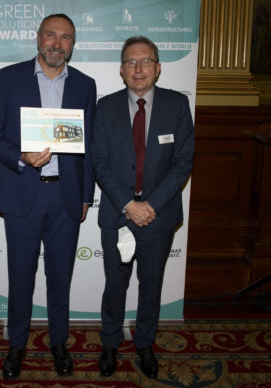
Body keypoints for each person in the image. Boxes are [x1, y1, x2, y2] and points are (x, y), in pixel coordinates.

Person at [0, 14, 96, 380]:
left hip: (66, 195)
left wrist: (86, 197)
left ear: (72, 45)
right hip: (21, 192)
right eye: (51, 35)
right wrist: (19, 156)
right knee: (21, 276)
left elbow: (90, 146)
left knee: (61, 276)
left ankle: (59, 343)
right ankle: (17, 346)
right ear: (38, 38)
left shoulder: (85, 85)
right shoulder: (7, 78)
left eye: (66, 38)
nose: (57, 44)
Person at [91, 36, 195, 379]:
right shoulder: (104, 108)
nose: (138, 69)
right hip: (118, 215)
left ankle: (145, 344)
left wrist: (149, 204)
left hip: (159, 215)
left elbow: (183, 162)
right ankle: (110, 342)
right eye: (131, 63)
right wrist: (128, 205)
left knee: (151, 283)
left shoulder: (177, 105)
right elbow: (99, 162)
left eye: (146, 61)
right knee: (115, 283)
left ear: (158, 67)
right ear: (121, 70)